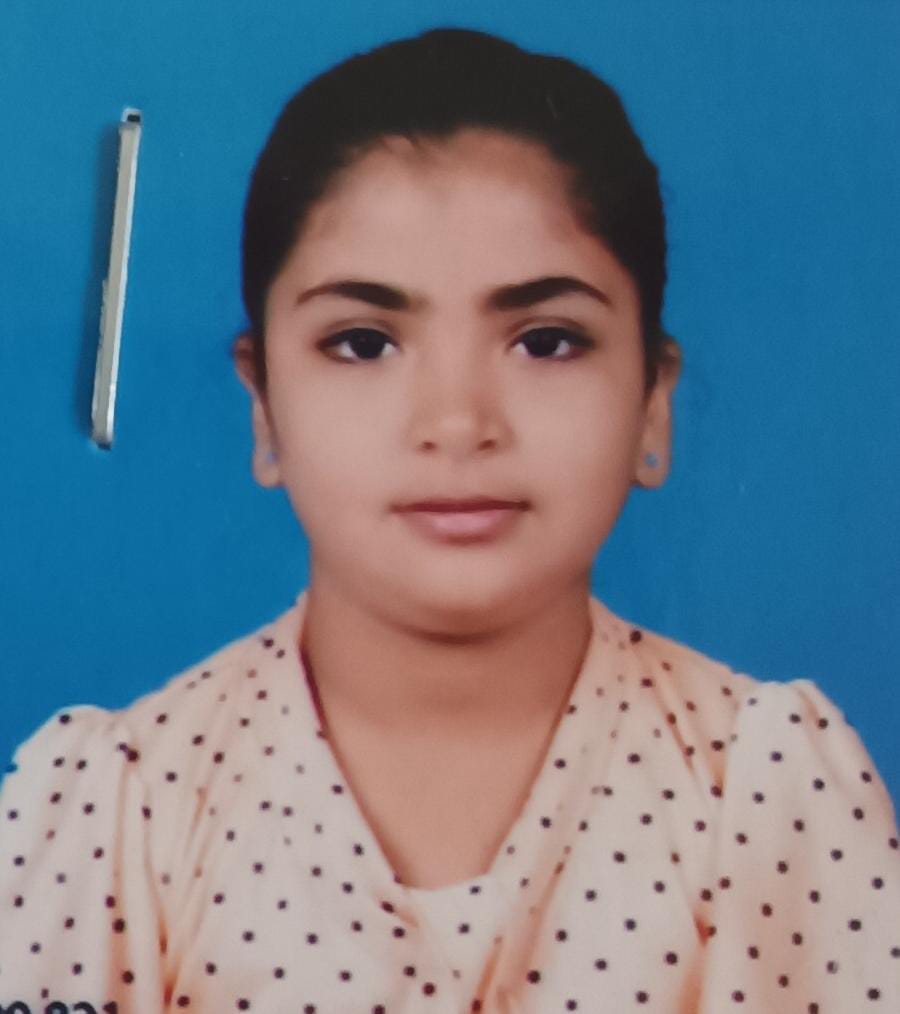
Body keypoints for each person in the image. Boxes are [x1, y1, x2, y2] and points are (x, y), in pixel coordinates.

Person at [1, 25, 897, 1014]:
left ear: (653, 401)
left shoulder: (762, 790)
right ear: (264, 410)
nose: (459, 422)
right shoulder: (121, 813)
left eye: (546, 341)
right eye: (362, 343)